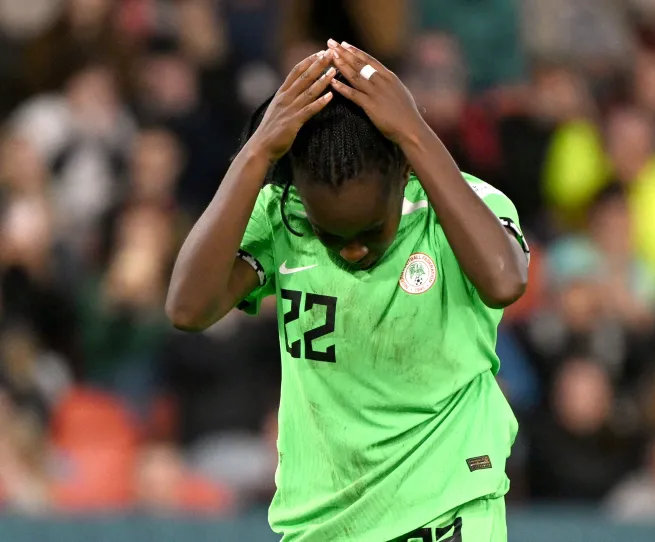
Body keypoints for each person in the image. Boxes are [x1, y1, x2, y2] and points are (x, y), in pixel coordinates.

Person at [166, 39, 529, 542]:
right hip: (320, 523)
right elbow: (187, 307)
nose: (352, 250)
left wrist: (413, 131)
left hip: (446, 512)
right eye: (332, 236)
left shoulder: (463, 208)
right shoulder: (282, 217)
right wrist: (257, 152)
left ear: (404, 169)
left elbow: (504, 279)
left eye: (368, 231)